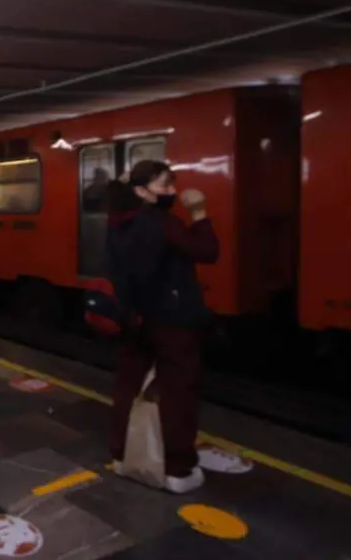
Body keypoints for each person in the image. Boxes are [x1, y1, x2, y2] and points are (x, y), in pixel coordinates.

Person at [105, 160, 219, 495]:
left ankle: (123, 455)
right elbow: (208, 251)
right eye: (164, 185)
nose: (172, 191)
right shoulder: (159, 222)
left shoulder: (117, 220)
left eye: (172, 183)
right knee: (177, 392)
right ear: (142, 191)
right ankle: (176, 469)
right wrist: (199, 213)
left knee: (129, 385)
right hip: (171, 320)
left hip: (134, 319)